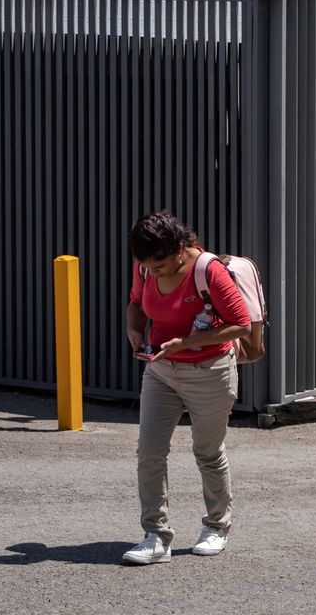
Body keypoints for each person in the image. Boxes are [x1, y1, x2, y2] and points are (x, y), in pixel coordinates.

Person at [122, 210, 251, 566]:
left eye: (161, 265)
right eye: (148, 265)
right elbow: (136, 302)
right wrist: (134, 330)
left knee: (207, 451)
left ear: (180, 246)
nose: (154, 271)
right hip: (160, 370)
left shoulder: (207, 270)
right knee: (149, 451)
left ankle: (217, 526)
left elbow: (240, 325)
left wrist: (183, 343)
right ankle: (155, 535)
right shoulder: (146, 266)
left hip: (210, 372)